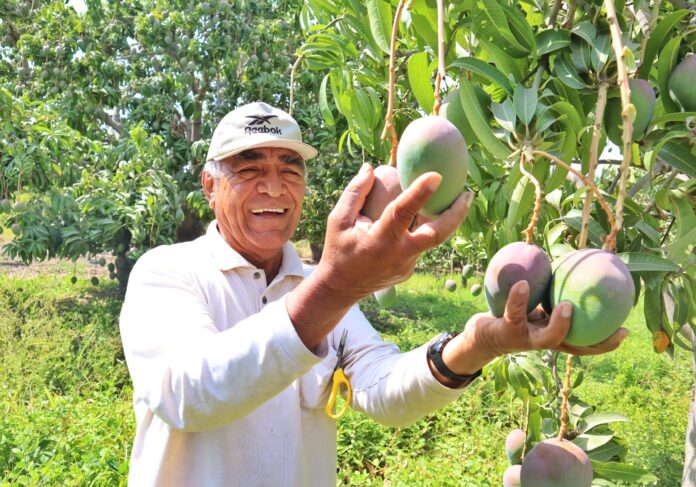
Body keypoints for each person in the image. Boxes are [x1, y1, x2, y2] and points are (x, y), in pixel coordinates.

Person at [119, 101, 628, 486]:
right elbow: (188, 394)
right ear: (210, 186)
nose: (273, 187)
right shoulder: (167, 273)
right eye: (249, 168)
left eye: (288, 169)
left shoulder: (314, 289)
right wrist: (337, 284)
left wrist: (482, 344)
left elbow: (382, 388)